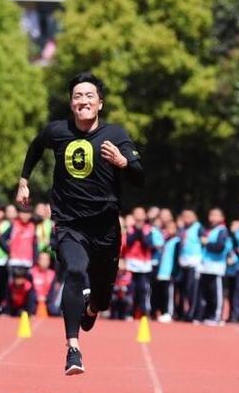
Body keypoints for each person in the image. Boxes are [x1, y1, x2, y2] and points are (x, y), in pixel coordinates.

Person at [16, 71, 144, 375]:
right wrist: (23, 181)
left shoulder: (116, 135)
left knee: (103, 298)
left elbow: (140, 177)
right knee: (74, 270)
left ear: (99, 103)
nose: (83, 101)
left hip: (106, 228)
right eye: (77, 96)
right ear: (71, 104)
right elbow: (35, 147)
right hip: (69, 223)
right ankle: (73, 349)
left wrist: (124, 163)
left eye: (89, 96)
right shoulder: (57, 132)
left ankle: (91, 308)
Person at [197, 208, 231, 325]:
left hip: (216, 267)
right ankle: (207, 314)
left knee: (216, 293)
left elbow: (220, 247)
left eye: (216, 215)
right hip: (205, 266)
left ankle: (216, 316)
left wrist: (207, 243)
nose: (213, 217)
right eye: (211, 214)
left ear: (222, 218)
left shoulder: (222, 230)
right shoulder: (209, 230)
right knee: (207, 293)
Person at [124, 207, 156, 319]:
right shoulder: (130, 229)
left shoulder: (148, 229)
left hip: (144, 265)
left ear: (144, 216)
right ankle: (129, 312)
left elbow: (148, 244)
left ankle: (143, 312)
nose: (138, 216)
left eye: (140, 214)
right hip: (131, 264)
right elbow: (128, 242)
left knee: (143, 289)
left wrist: (141, 230)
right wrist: (136, 230)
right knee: (131, 289)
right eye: (136, 213)